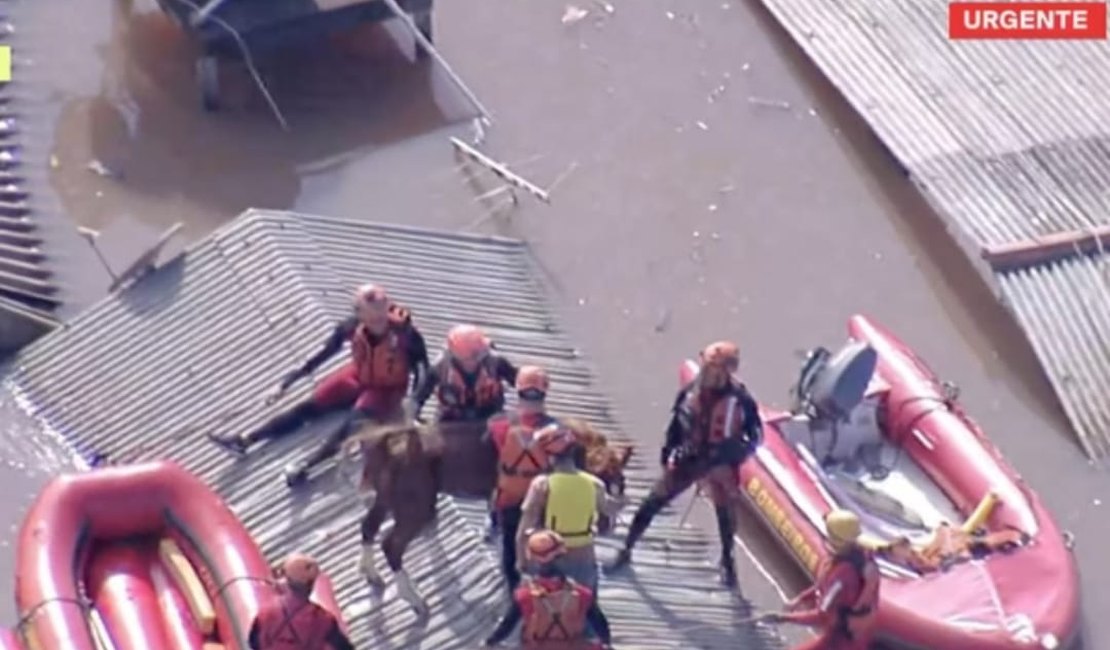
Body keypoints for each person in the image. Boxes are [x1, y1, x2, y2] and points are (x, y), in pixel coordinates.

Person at [208, 283, 429, 487]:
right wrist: (288, 381)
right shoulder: (352, 326)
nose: (377, 322)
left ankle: (309, 465)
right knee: (311, 406)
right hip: (358, 375)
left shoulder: (404, 334)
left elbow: (423, 369)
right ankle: (246, 439)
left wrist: (414, 403)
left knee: (353, 424)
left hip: (386, 388)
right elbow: (323, 353)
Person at [607, 340, 762, 587]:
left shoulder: (741, 399)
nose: (707, 371)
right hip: (691, 459)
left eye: (712, 367)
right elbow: (675, 426)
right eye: (706, 365)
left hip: (721, 462)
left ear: (726, 371)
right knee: (651, 503)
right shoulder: (691, 391)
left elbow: (755, 436)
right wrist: (668, 453)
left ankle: (727, 563)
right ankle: (626, 550)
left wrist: (735, 452)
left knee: (725, 517)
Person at [516, 425, 624, 595]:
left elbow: (524, 530)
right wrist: (621, 499)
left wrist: (521, 561)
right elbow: (610, 510)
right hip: (584, 555)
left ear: (550, 457)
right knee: (588, 609)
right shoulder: (594, 484)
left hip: (548, 555)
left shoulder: (542, 484)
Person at [761, 510, 880, 650]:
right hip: (853, 636)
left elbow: (821, 615)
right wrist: (800, 599)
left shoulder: (841, 576)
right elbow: (823, 587)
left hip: (840, 642)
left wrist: (784, 618)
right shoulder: (863, 561)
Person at [488, 365, 559, 591]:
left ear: (517, 391)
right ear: (545, 393)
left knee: (509, 547)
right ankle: (543, 590)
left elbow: (488, 459)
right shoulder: (556, 429)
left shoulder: (498, 424)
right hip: (541, 501)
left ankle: (513, 593)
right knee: (544, 547)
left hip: (508, 497)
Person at [484, 530, 613, 650]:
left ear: (533, 558)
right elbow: (602, 628)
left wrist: (489, 642)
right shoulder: (583, 594)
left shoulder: (523, 596)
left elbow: (506, 627)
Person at [411, 323, 519, 423]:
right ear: (457, 356)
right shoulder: (440, 367)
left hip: (489, 414)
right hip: (452, 418)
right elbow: (419, 396)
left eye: (481, 353)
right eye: (475, 355)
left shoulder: (496, 362)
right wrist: (413, 416)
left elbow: (519, 381)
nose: (480, 358)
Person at [248, 552, 354, 650]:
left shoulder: (267, 613)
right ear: (311, 584)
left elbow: (253, 643)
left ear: (288, 580)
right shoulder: (323, 619)